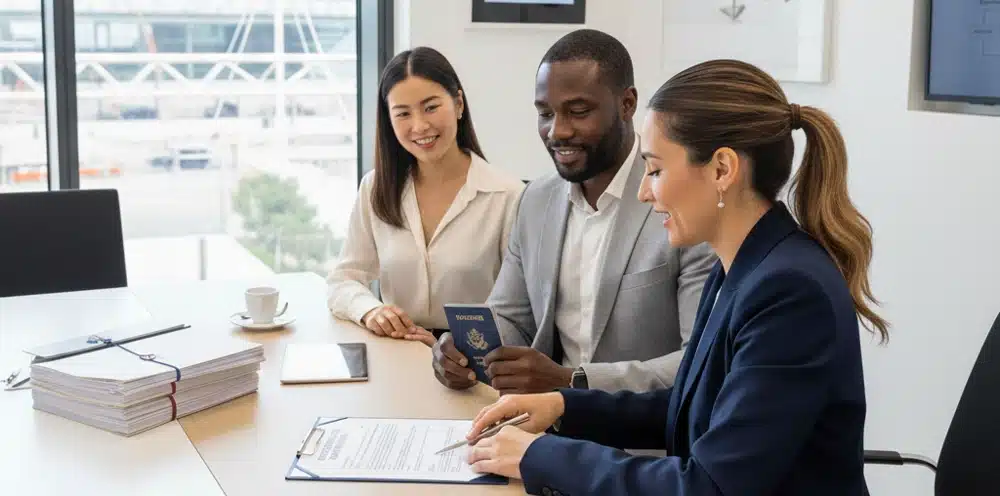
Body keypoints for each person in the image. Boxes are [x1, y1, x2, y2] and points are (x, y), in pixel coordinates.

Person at [460, 59, 891, 496]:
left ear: (722, 169)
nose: (645, 192)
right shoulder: (741, 267)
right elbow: (690, 406)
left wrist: (540, 456)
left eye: (656, 170)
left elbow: (709, 486)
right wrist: (560, 407)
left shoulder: (790, 292)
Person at [432, 29, 716, 394]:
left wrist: (572, 382)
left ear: (627, 104)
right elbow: (509, 316)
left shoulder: (681, 200)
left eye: (578, 112)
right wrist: (461, 349)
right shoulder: (535, 199)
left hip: (640, 438)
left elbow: (700, 360)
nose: (557, 132)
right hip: (543, 424)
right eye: (545, 114)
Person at [327, 47, 524, 343]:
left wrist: (454, 350)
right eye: (403, 113)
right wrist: (371, 311)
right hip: (396, 353)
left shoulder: (508, 196)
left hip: (475, 362)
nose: (419, 126)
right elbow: (343, 280)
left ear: (458, 104)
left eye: (431, 107)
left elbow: (520, 311)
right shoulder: (376, 187)